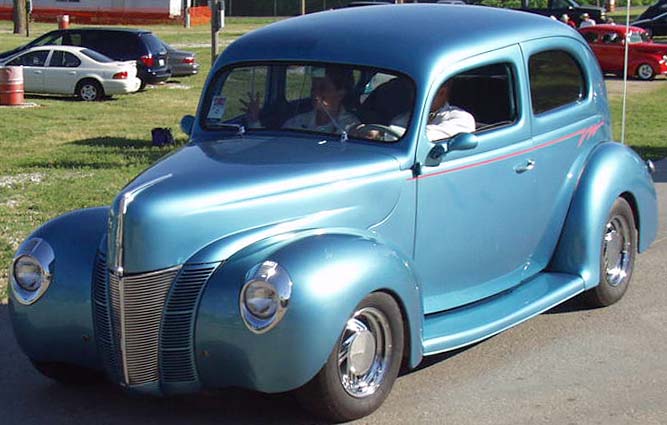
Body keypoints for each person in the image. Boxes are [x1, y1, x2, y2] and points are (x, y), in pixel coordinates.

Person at [242, 66, 358, 134]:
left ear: (340, 94)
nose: (315, 93)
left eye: (323, 88)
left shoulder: (349, 126)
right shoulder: (298, 121)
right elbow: (276, 147)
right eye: (313, 88)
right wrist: (254, 121)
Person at [390, 79, 475, 142]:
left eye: (417, 91)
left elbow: (423, 137)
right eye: (412, 91)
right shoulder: (406, 116)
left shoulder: (461, 118)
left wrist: (382, 134)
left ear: (442, 92)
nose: (412, 96)